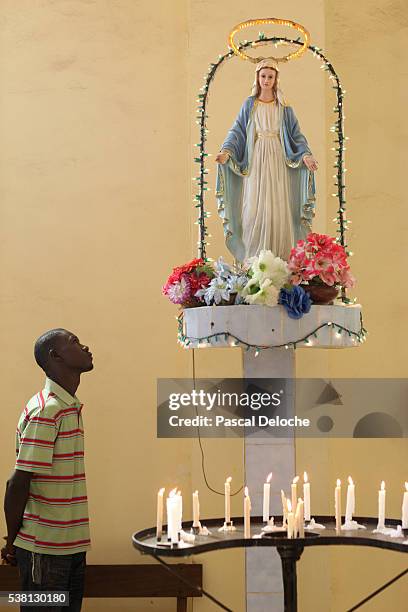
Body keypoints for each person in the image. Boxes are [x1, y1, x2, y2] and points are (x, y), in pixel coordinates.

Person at [1, 329, 94, 612]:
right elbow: (18, 482)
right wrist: (12, 541)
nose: (85, 346)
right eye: (74, 342)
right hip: (45, 551)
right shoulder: (47, 411)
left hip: (71, 547)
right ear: (55, 356)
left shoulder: (68, 407)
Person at [216, 59, 318, 263]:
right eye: (263, 76)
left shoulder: (284, 107)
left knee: (278, 209)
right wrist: (226, 151)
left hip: (278, 159)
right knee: (254, 208)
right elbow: (237, 131)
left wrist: (305, 154)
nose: (266, 80)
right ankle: (253, 260)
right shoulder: (249, 104)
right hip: (256, 160)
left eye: (270, 76)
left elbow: (296, 135)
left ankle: (279, 260)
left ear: (275, 79)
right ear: (257, 77)